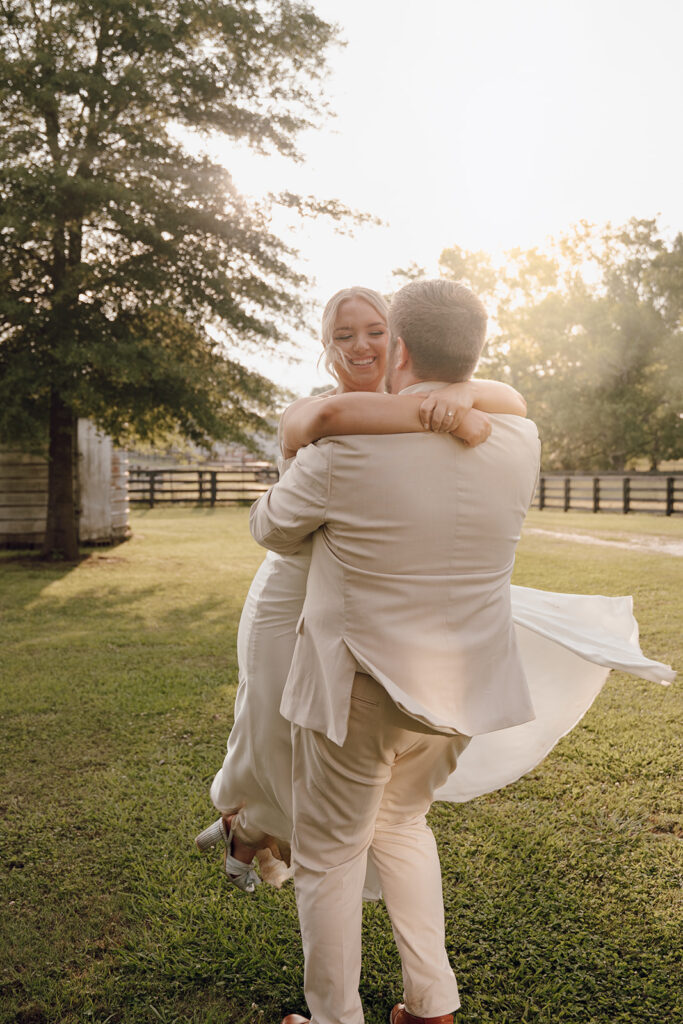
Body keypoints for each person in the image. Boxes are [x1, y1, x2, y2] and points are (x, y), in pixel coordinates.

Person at [247, 279, 674, 1024]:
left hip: (360, 689)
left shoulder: (341, 449)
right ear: (475, 352)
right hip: (461, 688)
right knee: (403, 826)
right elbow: (492, 403)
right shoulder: (517, 438)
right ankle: (431, 1004)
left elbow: (272, 529)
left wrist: (309, 439)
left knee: (331, 857)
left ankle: (334, 1017)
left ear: (399, 348)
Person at [196, 286, 529, 890]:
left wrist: (457, 397)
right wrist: (450, 409)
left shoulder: (420, 397)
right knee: (266, 717)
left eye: (374, 330)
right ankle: (249, 826)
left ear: (397, 341)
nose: (361, 345)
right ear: (328, 346)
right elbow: (323, 423)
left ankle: (253, 830)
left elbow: (509, 397)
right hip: (294, 579)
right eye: (344, 335)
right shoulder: (323, 410)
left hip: (366, 591)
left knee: (309, 740)